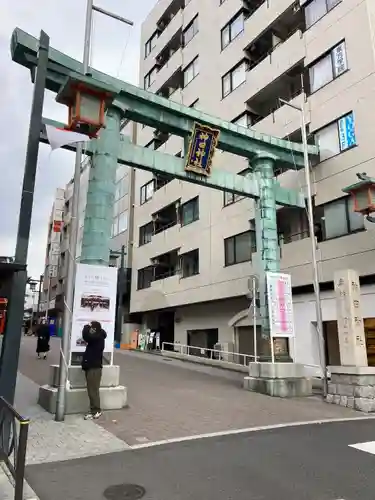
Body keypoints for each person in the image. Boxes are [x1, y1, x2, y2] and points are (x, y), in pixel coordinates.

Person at [81, 321, 107, 420]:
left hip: (94, 368)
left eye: (91, 328)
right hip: (91, 367)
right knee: (91, 390)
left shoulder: (98, 337)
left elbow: (86, 336)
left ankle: (96, 410)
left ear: (95, 329)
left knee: (93, 391)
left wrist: (86, 326)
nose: (89, 330)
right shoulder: (97, 337)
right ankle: (93, 410)